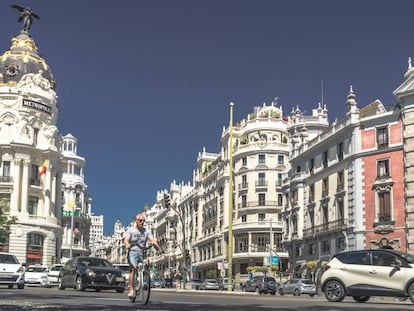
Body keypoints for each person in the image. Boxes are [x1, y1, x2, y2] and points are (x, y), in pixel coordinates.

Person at [124, 213, 162, 298]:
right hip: (133, 252)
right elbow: (126, 240)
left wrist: (159, 249)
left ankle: (144, 278)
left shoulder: (147, 231)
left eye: (143, 221)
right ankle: (131, 289)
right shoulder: (130, 230)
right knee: (133, 269)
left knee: (146, 264)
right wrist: (127, 245)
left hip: (142, 252)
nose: (142, 222)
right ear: (136, 221)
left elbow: (152, 240)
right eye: (140, 220)